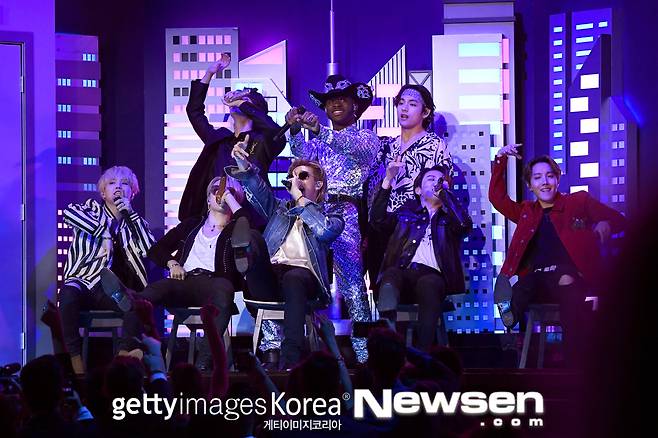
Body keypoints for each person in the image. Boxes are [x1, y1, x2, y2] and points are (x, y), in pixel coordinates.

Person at [489, 144, 626, 365]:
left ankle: (573, 363)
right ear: (530, 185)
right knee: (523, 286)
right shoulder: (527, 212)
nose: (544, 182)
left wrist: (605, 222)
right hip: (537, 277)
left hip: (567, 274)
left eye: (550, 176)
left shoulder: (578, 201)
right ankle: (509, 314)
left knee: (567, 284)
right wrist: (500, 159)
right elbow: (498, 199)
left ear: (557, 179)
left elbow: (619, 220)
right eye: (537, 178)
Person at [104, 175, 246, 370]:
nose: (221, 193)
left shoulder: (237, 228)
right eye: (216, 190)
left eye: (229, 191)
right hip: (184, 280)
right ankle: (126, 347)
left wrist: (229, 198)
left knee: (224, 290)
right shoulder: (192, 225)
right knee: (147, 295)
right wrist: (172, 263)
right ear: (208, 198)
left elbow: (247, 226)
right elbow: (156, 250)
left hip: (215, 282)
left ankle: (203, 364)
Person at [286, 74, 379, 363]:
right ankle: (294, 350)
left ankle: (364, 355)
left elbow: (350, 147)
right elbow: (301, 158)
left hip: (346, 214)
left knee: (353, 285)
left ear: (355, 106)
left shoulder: (366, 138)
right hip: (315, 212)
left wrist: (319, 131)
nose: (336, 104)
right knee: (301, 273)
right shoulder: (319, 141)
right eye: (330, 101)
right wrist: (294, 130)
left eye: (342, 99)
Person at [226, 143, 344, 369]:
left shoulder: (332, 215)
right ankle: (244, 256)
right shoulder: (279, 209)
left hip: (305, 280)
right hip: (271, 279)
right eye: (292, 176)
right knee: (253, 236)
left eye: (303, 176)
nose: (295, 180)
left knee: (293, 277)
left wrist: (301, 200)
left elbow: (325, 231)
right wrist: (243, 163)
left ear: (318, 184)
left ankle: (290, 360)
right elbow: (258, 190)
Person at [58, 166, 155, 374]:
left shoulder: (136, 223)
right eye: (112, 183)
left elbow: (149, 250)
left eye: (124, 184)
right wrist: (103, 233)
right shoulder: (90, 209)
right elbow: (68, 213)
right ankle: (75, 360)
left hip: (108, 290)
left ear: (132, 193)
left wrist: (130, 214)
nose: (118, 187)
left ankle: (123, 357)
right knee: (67, 295)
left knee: (135, 307)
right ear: (103, 193)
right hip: (83, 280)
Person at [371, 164, 471, 350]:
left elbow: (464, 225)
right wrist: (388, 180)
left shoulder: (449, 220)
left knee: (428, 283)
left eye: (441, 181)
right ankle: (388, 325)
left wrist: (445, 194)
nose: (436, 183)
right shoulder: (405, 214)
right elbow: (377, 220)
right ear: (418, 190)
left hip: (433, 278)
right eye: (431, 179)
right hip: (404, 274)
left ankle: (423, 352)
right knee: (391, 274)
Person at [365, 84, 454, 286]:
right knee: (382, 286)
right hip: (384, 224)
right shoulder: (387, 146)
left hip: (415, 227)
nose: (404, 108)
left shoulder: (435, 145)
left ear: (426, 112)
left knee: (415, 288)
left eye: (412, 104)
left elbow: (443, 188)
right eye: (401, 103)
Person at [180, 54, 286, 222]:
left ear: (254, 109)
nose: (235, 99)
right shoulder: (220, 139)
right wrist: (209, 73)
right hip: (217, 217)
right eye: (237, 97)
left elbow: (276, 132)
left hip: (251, 220)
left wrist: (240, 103)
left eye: (243, 99)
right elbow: (194, 112)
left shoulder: (263, 140)